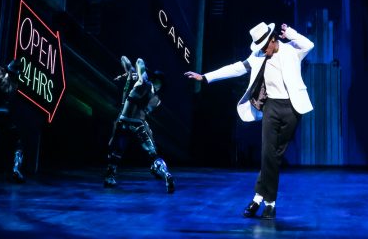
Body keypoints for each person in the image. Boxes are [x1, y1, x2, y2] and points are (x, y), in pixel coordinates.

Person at [185, 22, 313, 220]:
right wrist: (206, 77)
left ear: (273, 39)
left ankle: (257, 198)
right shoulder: (258, 56)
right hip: (271, 107)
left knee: (274, 157)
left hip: (293, 108)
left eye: (265, 46)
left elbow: (309, 45)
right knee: (267, 154)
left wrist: (290, 33)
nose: (263, 50)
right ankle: (270, 204)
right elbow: (237, 68)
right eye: (260, 47)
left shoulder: (292, 51)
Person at [104, 56, 174, 193]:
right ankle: (166, 174)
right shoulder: (156, 99)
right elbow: (144, 113)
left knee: (116, 151)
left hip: (125, 122)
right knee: (152, 154)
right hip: (137, 125)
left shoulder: (142, 83)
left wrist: (140, 72)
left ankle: (110, 177)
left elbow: (139, 60)